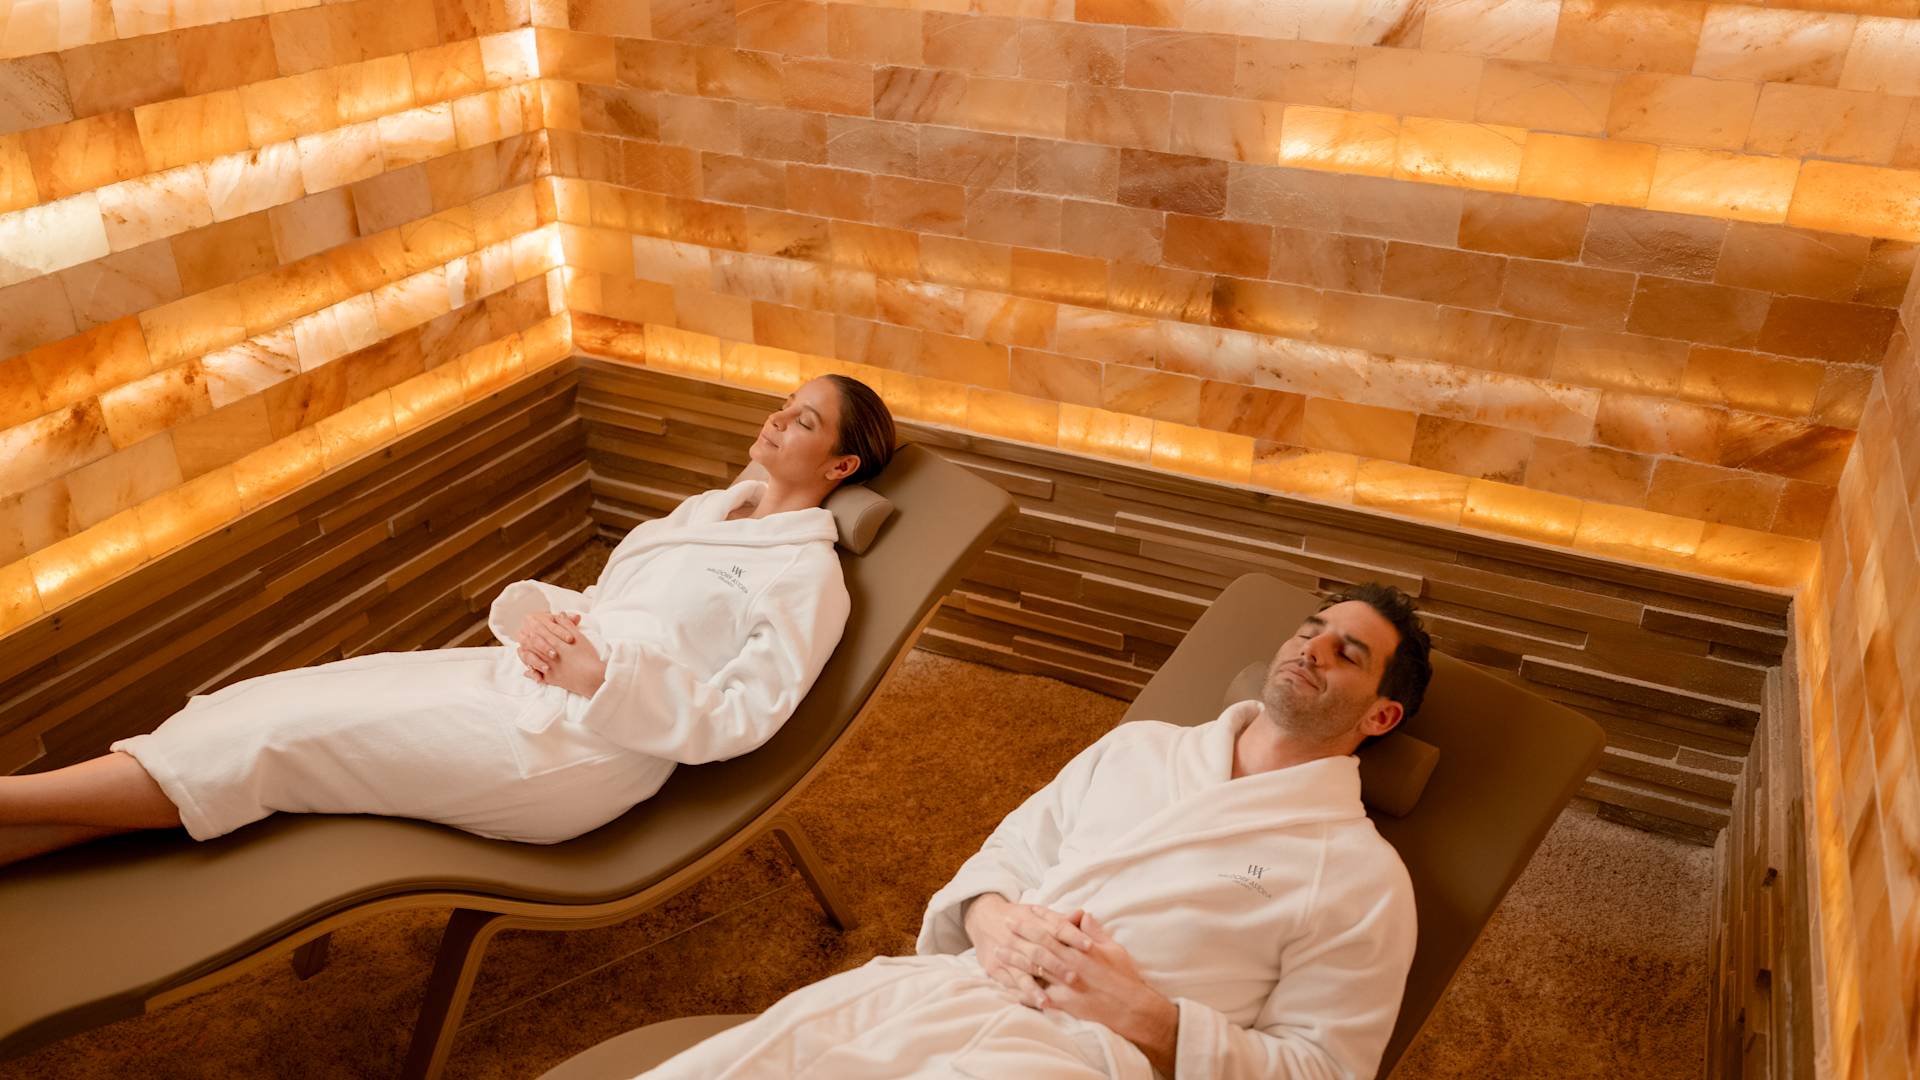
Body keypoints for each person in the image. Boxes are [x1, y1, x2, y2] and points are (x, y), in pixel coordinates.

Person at [0, 375, 897, 868]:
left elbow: (747, 714)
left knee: (283, 738)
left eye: (805, 420)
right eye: (785, 403)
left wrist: (600, 677)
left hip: (580, 751)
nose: (778, 418)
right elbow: (610, 606)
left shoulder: (806, 573)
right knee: (268, 698)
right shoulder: (708, 511)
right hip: (529, 685)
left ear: (841, 462)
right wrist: (551, 624)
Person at [643, 584, 1433, 1080]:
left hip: (1093, 1058)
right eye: (1311, 628)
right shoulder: (1141, 747)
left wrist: (1141, 1014)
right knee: (756, 1057)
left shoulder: (1358, 877)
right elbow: (1008, 855)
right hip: (967, 985)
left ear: (1380, 715)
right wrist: (996, 926)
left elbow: (1323, 1067)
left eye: (1348, 652)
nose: (1311, 647)